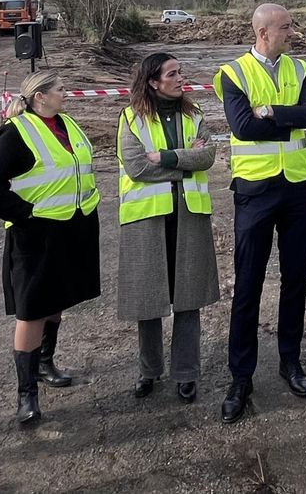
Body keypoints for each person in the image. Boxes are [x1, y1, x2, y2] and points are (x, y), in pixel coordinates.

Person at [213, 3, 306, 424]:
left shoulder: (299, 69)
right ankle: (241, 376)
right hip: (255, 192)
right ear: (263, 33)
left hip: (296, 189)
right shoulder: (233, 73)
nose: (291, 32)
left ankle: (290, 361)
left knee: (295, 279)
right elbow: (243, 127)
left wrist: (272, 113)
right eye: (285, 27)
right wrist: (284, 119)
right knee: (248, 285)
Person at [0, 70, 102, 425]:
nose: (67, 94)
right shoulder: (15, 132)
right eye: (60, 89)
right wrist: (25, 215)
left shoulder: (68, 125)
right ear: (40, 97)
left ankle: (46, 363)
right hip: (35, 235)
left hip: (72, 228)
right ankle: (26, 393)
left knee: (56, 301)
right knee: (31, 310)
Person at [116, 53, 219, 403]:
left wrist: (167, 157)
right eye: (173, 74)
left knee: (188, 299)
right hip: (147, 219)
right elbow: (135, 167)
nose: (181, 79)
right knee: (149, 300)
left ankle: (186, 374)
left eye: (181, 72)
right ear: (153, 81)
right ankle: (149, 370)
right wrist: (185, 161)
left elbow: (207, 157)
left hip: (189, 216)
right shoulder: (131, 118)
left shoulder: (194, 114)